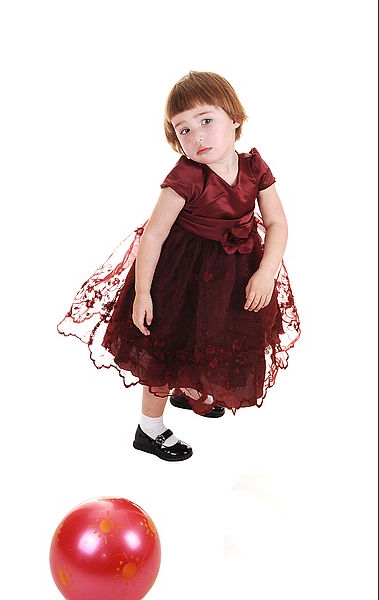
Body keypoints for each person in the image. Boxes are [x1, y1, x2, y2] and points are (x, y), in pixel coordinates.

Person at [57, 71, 300, 462]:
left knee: (214, 336)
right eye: (183, 130)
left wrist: (266, 270)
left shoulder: (254, 168)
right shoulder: (185, 177)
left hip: (233, 275)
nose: (197, 136)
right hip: (182, 276)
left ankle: (189, 391)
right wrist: (142, 292)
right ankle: (149, 429)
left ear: (234, 118)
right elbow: (153, 236)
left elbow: (277, 223)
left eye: (206, 121)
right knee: (168, 343)